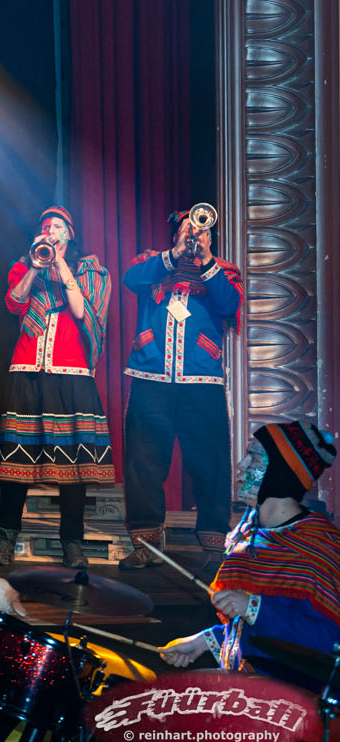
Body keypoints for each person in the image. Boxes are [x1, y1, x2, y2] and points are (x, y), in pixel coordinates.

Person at [159, 421, 340, 689]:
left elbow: (329, 641)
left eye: (253, 457)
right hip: (248, 692)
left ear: (281, 472)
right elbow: (258, 632)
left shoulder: (320, 545)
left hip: (297, 708)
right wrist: (207, 640)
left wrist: (253, 608)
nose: (241, 466)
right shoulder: (251, 535)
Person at [0, 207, 113, 569]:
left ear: (70, 235)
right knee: (15, 464)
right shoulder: (25, 266)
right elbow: (14, 303)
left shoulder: (90, 272)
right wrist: (35, 266)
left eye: (58, 227)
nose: (51, 231)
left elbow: (80, 311)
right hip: (28, 370)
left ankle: (72, 543)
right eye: (45, 227)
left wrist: (60, 265)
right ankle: (5, 539)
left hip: (71, 374)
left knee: (73, 469)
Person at [119, 208, 243, 572]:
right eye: (188, 228)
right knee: (143, 464)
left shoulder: (224, 270)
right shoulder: (153, 262)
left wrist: (205, 259)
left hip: (201, 384)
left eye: (200, 229)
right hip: (150, 379)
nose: (193, 234)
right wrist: (174, 254)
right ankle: (146, 546)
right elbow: (131, 279)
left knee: (209, 465)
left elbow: (229, 303)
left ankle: (214, 548)